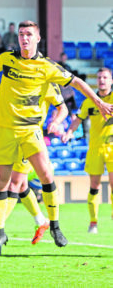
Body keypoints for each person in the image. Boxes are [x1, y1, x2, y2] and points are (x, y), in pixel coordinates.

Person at [0, 20, 113, 256]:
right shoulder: (6, 59)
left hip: (31, 131)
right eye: (21, 34)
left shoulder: (47, 69)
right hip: (4, 130)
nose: (24, 38)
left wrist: (98, 102)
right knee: (4, 183)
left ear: (37, 38)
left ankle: (54, 225)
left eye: (29, 34)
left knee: (45, 176)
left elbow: (76, 85)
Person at [0, 82, 69, 244]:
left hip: (30, 139)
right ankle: (41, 221)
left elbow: (63, 108)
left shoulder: (47, 82)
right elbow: (10, 111)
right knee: (22, 186)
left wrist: (56, 122)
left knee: (15, 184)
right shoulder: (21, 81)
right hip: (13, 138)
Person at [61, 67, 113, 234]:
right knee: (94, 186)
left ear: (111, 80)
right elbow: (78, 119)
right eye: (99, 78)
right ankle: (93, 222)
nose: (102, 80)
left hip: (112, 148)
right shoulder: (91, 101)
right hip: (95, 148)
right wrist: (69, 132)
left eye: (105, 77)